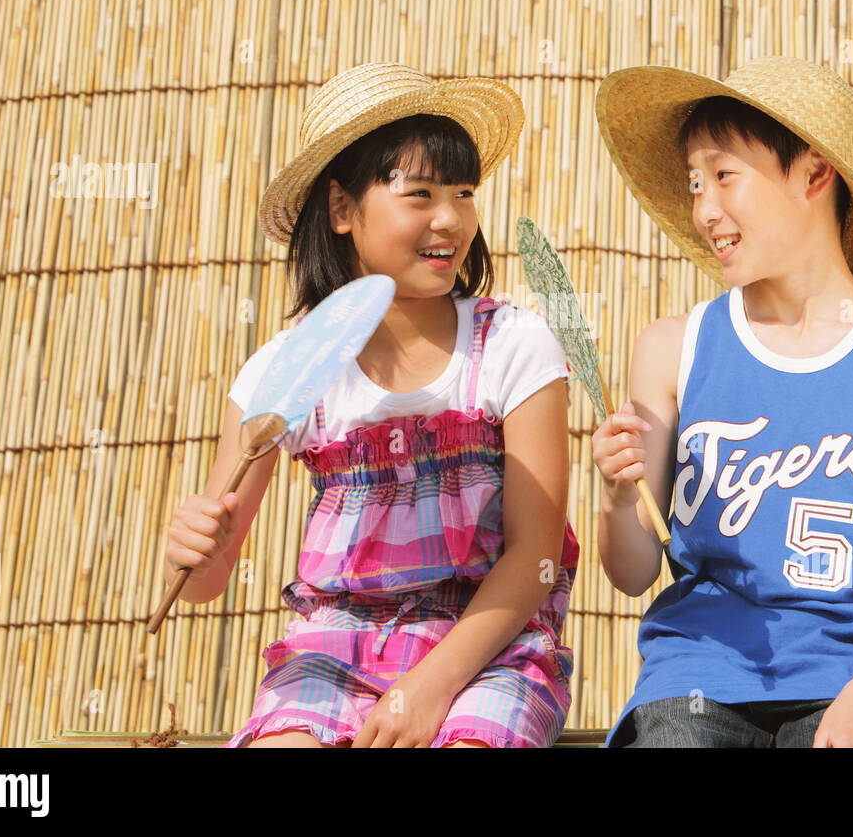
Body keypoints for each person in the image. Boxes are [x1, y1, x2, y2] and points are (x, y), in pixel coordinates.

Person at [161, 63, 578, 748]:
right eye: (420, 194)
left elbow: (535, 556)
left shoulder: (513, 345)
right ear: (342, 209)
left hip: (488, 652)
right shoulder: (284, 370)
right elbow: (207, 580)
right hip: (332, 650)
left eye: (464, 193)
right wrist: (194, 551)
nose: (451, 218)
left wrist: (427, 688)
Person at [590, 55, 853, 747]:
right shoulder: (673, 348)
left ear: (814, 173)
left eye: (724, 176)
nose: (705, 208)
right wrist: (618, 497)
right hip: (696, 681)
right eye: (694, 182)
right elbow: (632, 572)